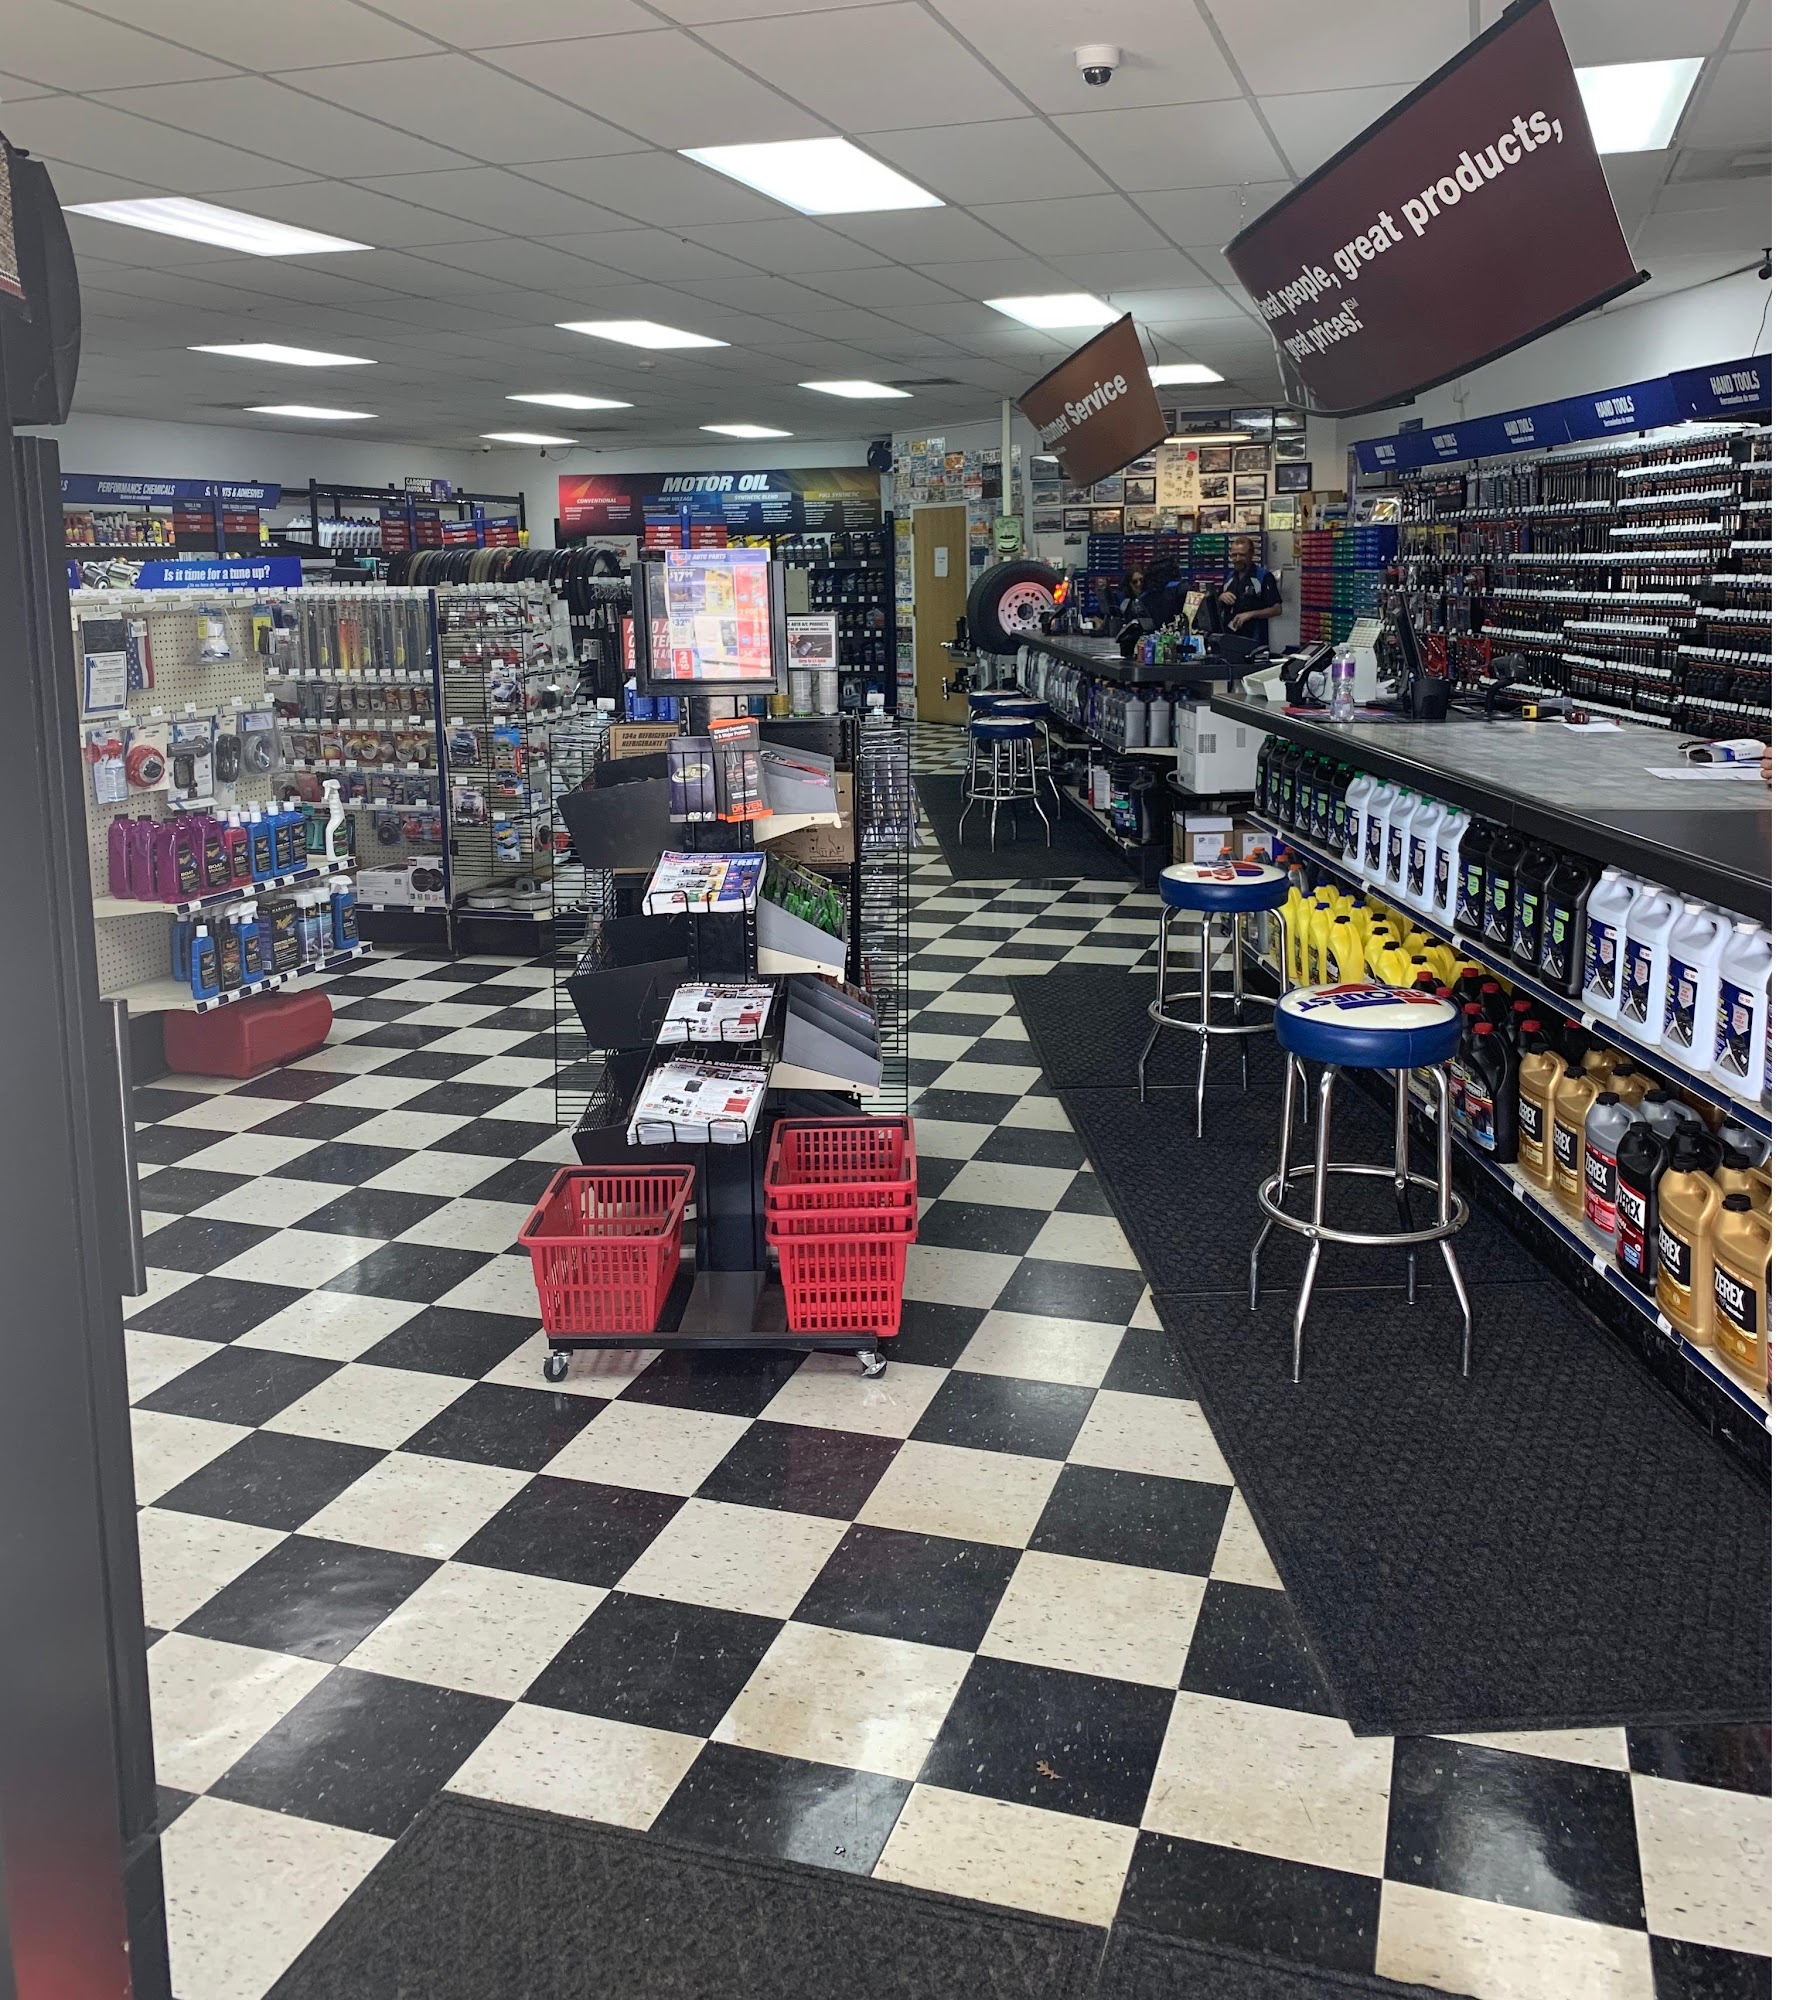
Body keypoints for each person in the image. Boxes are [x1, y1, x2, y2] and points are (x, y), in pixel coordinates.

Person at [1213, 533, 1281, 638]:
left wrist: (1250, 614)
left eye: (1242, 555)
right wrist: (1221, 597)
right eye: (1234, 555)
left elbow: (1277, 609)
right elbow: (1216, 603)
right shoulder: (1229, 577)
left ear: (1251, 554)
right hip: (1228, 635)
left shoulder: (1263, 576)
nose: (1237, 559)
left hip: (1254, 637)